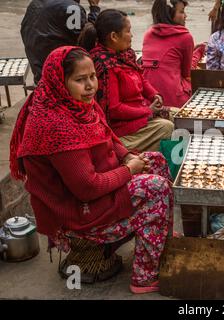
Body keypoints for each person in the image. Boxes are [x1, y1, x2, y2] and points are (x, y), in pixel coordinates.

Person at [9, 46, 174, 294]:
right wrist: (129, 170)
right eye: (80, 80)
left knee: (157, 161)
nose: (90, 86)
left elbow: (107, 137)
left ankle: (160, 245)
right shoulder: (56, 125)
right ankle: (145, 276)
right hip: (78, 210)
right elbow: (87, 188)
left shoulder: (77, 104)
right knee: (156, 189)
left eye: (93, 77)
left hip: (98, 183)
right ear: (59, 82)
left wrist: (128, 156)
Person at [79, 9, 174, 151]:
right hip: (121, 128)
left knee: (177, 115)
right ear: (114, 36)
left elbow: (141, 79)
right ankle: (128, 156)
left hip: (139, 113)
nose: (132, 35)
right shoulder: (105, 65)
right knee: (167, 127)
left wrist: (154, 95)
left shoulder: (125, 54)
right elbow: (114, 109)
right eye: (128, 31)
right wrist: (147, 111)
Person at [142, 0, 206, 108]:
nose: (185, 16)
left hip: (148, 98)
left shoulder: (148, 34)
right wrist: (198, 52)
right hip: (173, 99)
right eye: (181, 12)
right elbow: (187, 73)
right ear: (169, 14)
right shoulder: (185, 37)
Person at [21, 0, 101, 84]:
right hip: (62, 78)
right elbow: (89, 37)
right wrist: (94, 7)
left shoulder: (34, 4)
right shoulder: (72, 8)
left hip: (39, 75)